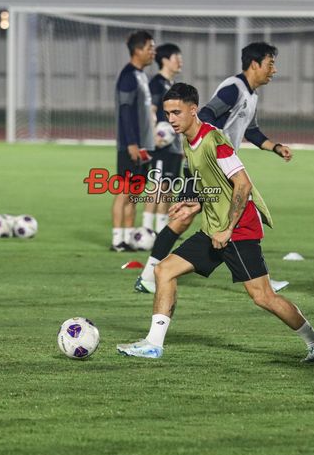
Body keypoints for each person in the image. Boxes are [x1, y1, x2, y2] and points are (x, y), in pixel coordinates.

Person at [117, 83, 314, 361]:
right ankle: (153, 344)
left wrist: (228, 229)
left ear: (194, 111)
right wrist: (195, 203)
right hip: (214, 229)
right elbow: (212, 184)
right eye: (168, 113)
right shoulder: (188, 140)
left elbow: (242, 185)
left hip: (238, 229)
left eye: (177, 113)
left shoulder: (214, 140)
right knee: (164, 271)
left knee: (263, 297)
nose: (171, 119)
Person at [135, 42, 291, 294]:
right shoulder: (233, 89)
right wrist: (204, 150)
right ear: (255, 64)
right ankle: (149, 276)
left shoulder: (251, 94)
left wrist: (275, 147)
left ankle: (150, 276)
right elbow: (205, 114)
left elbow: (251, 131)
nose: (273, 70)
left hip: (219, 168)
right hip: (207, 168)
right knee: (186, 218)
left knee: (194, 218)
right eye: (270, 63)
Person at [111, 30, 155, 252]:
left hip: (144, 146)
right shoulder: (128, 76)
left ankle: (128, 238)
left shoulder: (141, 75)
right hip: (132, 146)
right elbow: (125, 111)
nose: (152, 52)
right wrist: (131, 143)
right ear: (137, 50)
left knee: (135, 192)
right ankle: (117, 239)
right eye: (149, 48)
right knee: (124, 191)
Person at [142, 43, 184, 234]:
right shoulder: (157, 83)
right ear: (165, 60)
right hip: (161, 144)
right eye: (177, 58)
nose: (180, 61)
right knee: (157, 186)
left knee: (168, 188)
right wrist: (152, 138)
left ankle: (161, 231)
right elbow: (149, 111)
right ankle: (145, 230)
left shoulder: (171, 86)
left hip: (174, 146)